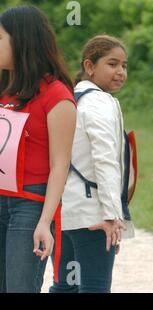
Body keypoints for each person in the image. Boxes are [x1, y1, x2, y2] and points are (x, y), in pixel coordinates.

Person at [0, 5, 76, 293]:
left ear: (21, 41)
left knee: (19, 287)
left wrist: (45, 222)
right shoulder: (4, 88)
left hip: (30, 203)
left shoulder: (56, 95)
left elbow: (60, 164)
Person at [50, 35, 134, 293]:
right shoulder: (98, 102)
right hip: (94, 214)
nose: (120, 72)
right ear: (89, 66)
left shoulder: (68, 97)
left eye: (124, 65)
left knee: (65, 286)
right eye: (112, 64)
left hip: (63, 211)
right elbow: (105, 160)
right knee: (95, 287)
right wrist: (111, 215)